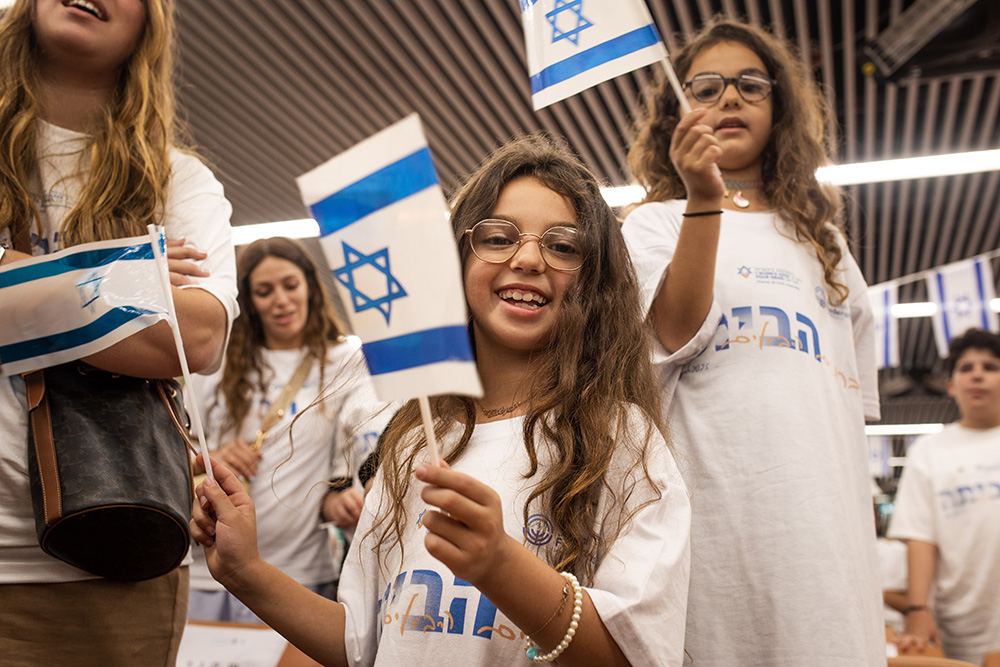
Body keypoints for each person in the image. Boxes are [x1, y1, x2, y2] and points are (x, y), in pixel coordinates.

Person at [191, 134, 692, 666]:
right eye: (498, 238)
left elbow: (631, 656)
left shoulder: (621, 441)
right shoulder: (413, 444)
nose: (527, 257)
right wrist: (246, 572)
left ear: (594, 282)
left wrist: (502, 566)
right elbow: (360, 644)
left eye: (563, 245)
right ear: (455, 262)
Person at [621, 17, 883, 666]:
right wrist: (703, 198)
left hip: (830, 552)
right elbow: (675, 333)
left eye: (750, 85)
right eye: (705, 87)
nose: (729, 97)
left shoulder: (827, 245)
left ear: (780, 107)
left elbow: (850, 416)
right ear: (675, 113)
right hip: (717, 540)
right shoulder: (651, 226)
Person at [0, 0, 238, 665]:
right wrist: (127, 275)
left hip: (116, 547)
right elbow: (159, 323)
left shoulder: (179, 180)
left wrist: (16, 280)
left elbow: (192, 340)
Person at [186, 237, 387, 624]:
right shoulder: (215, 362)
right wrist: (209, 458)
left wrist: (343, 497)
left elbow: (352, 450)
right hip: (210, 571)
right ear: (248, 300)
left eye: (290, 285)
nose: (280, 300)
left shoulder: (346, 362)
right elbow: (176, 447)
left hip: (299, 574)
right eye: (264, 291)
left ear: (310, 285)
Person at [889, 328, 1000, 664]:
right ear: (951, 386)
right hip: (959, 622)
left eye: (990, 367)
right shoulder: (930, 450)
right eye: (966, 368)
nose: (977, 374)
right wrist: (918, 608)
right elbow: (921, 537)